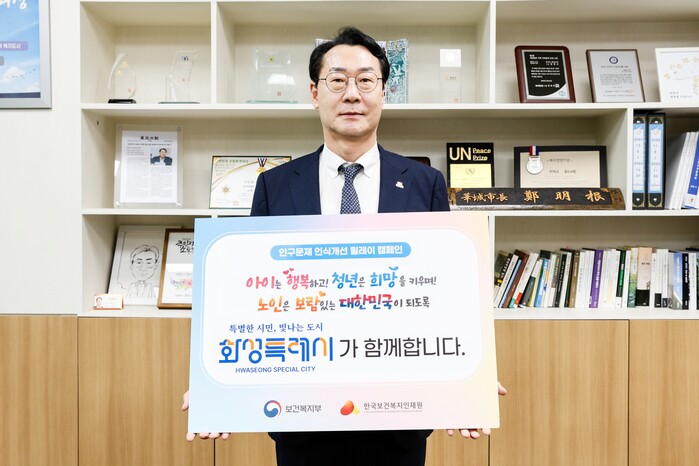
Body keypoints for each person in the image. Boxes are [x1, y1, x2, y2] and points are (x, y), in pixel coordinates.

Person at [182, 26, 506, 466]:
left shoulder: (424, 183)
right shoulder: (275, 186)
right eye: (337, 80)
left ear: (384, 92)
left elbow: (447, 294)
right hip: (302, 418)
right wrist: (213, 386)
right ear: (315, 93)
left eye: (366, 80)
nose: (352, 93)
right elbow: (248, 296)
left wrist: (470, 381)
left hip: (399, 417)